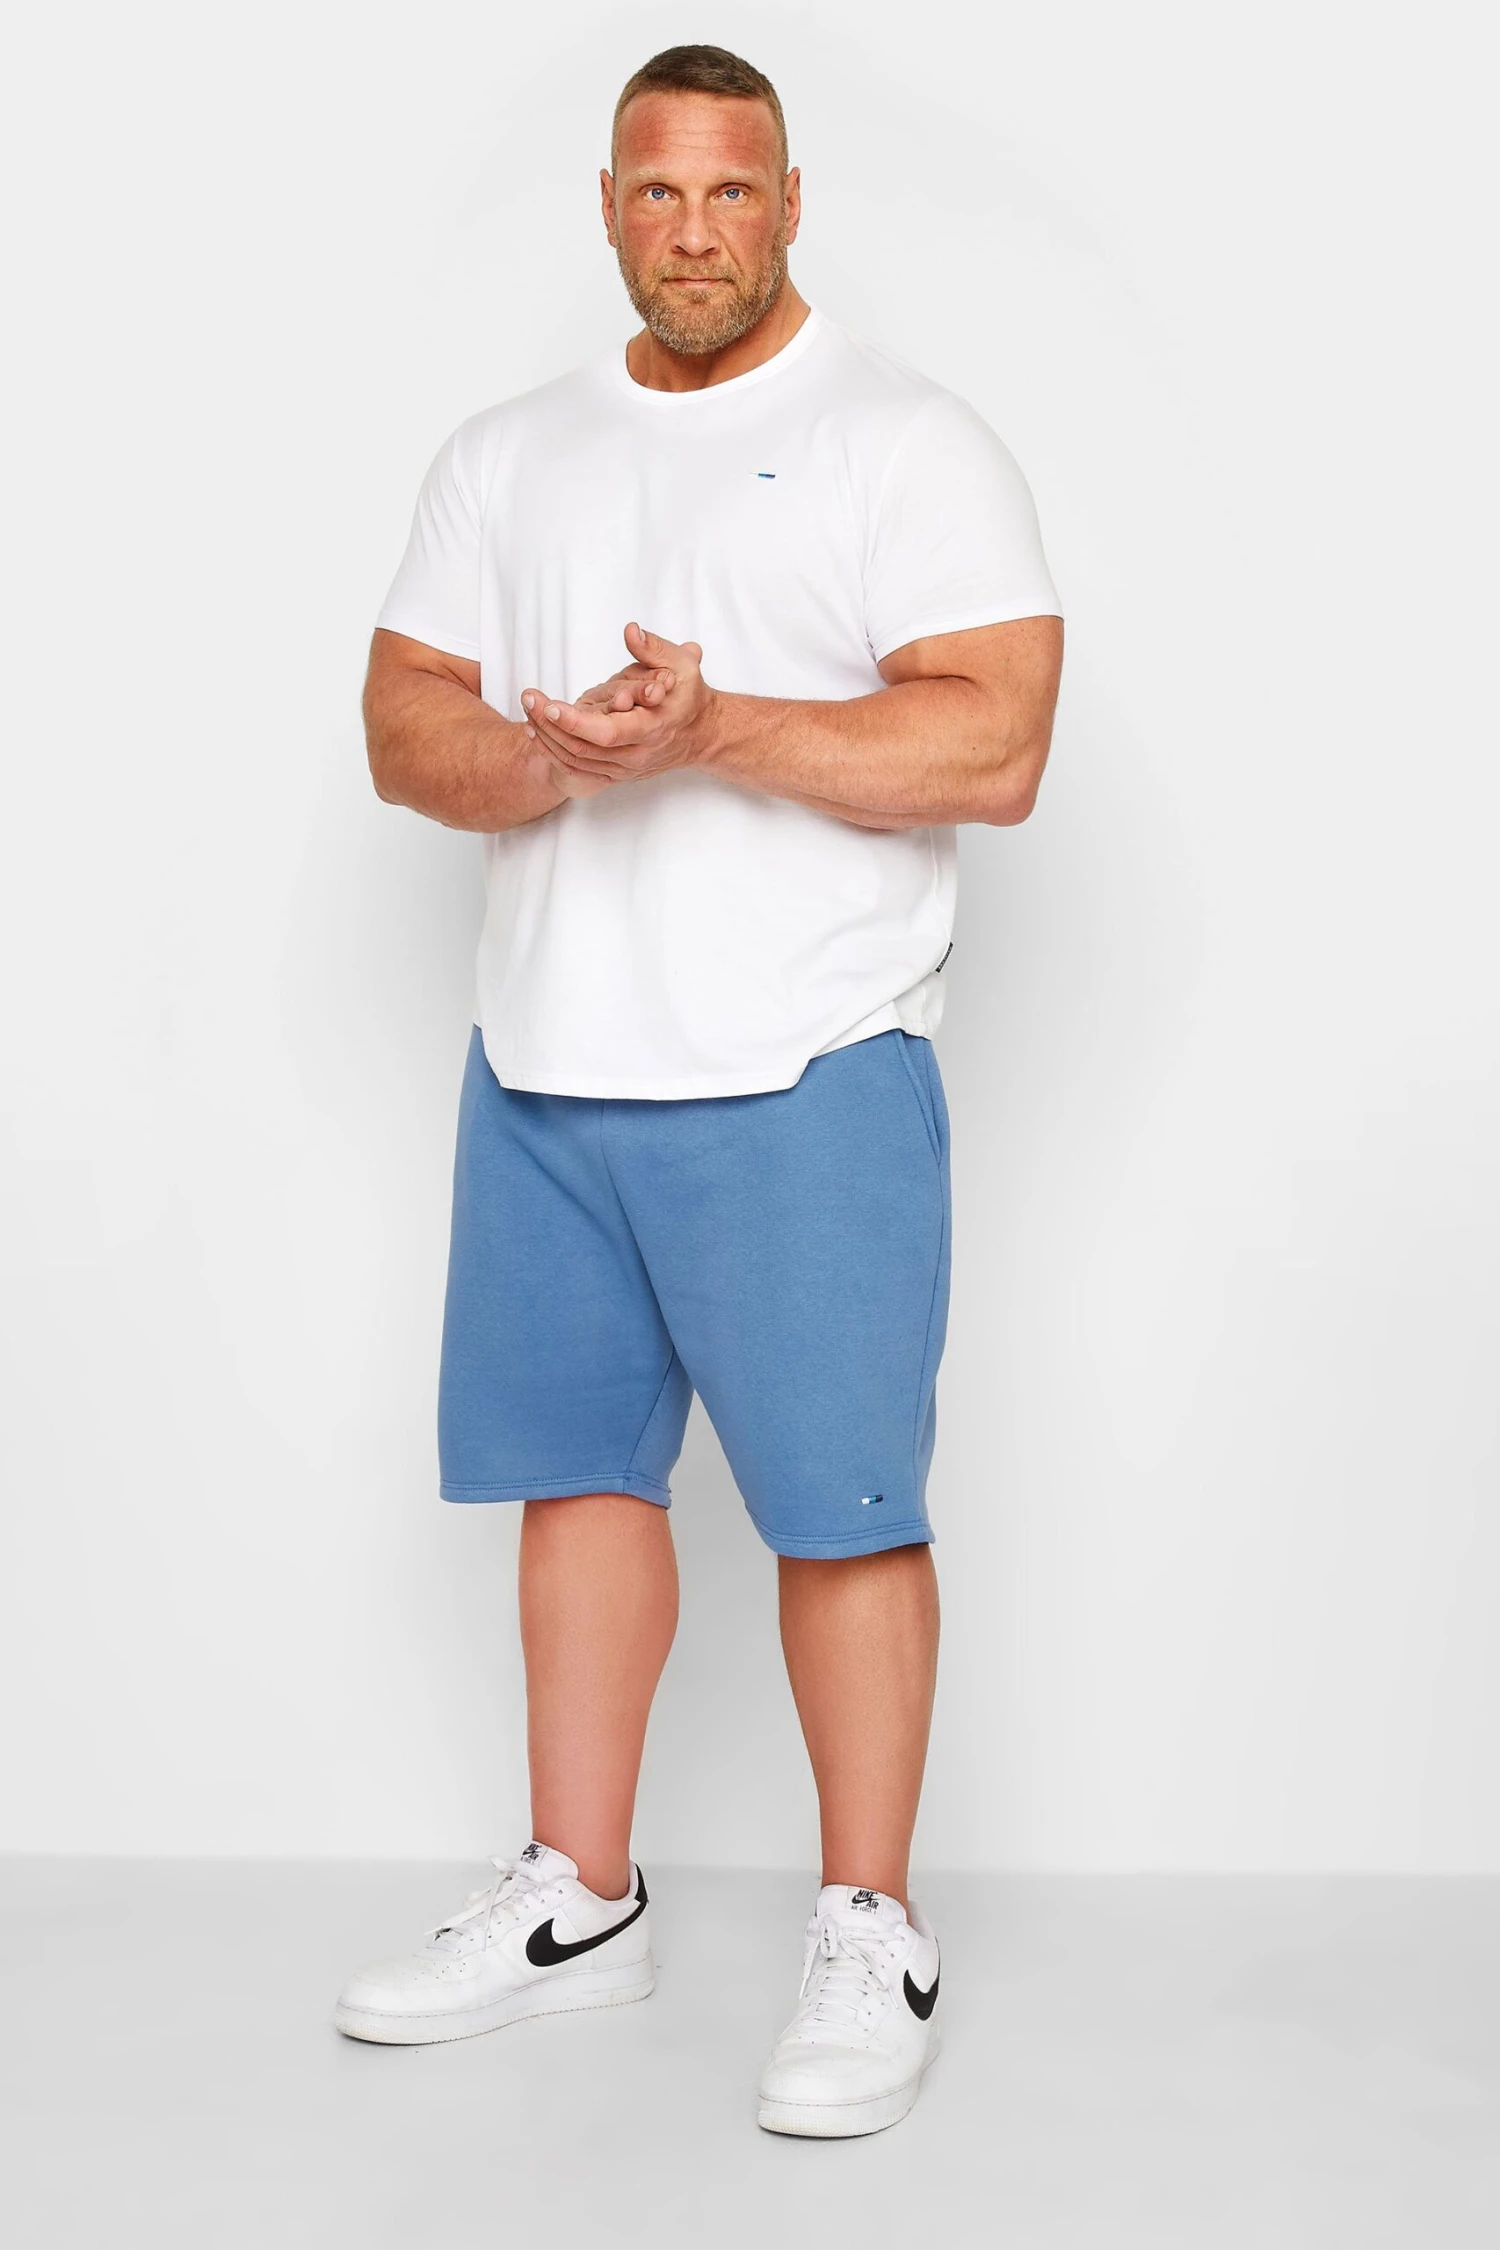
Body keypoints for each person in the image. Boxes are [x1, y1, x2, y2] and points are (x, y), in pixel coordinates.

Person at [333, 43, 1063, 2139]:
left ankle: (872, 1924)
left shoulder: (905, 440)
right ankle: (581, 1894)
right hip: (549, 1063)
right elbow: (400, 724)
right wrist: (556, 755)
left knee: (845, 1511)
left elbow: (997, 743)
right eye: (657, 192)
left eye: (733, 191)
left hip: (804, 1063)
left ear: (793, 202)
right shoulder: (509, 454)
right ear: (606, 207)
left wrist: (714, 725)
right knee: (576, 1482)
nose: (695, 230)